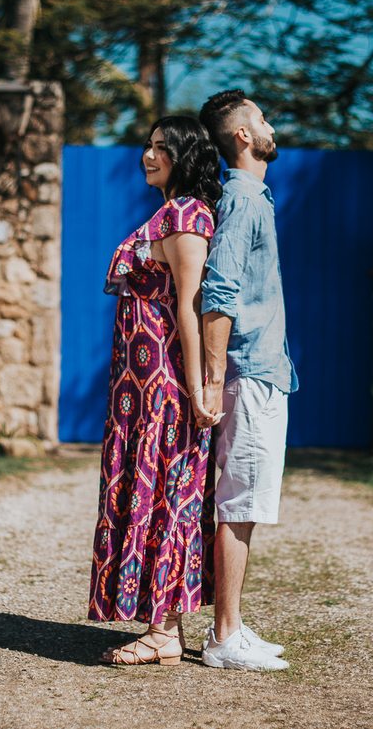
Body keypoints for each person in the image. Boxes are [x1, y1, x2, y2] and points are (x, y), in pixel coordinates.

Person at [88, 116, 222, 666]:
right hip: (137, 392)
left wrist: (198, 388)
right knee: (149, 496)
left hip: (165, 389)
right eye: (147, 145)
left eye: (161, 147)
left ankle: (164, 632)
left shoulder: (188, 216)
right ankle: (160, 626)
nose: (148, 154)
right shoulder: (168, 213)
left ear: (184, 156)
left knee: (167, 499)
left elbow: (190, 307)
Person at [195, 89, 298, 672]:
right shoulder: (241, 199)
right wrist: (213, 379)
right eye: (262, 118)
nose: (270, 126)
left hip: (262, 370)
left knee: (247, 502)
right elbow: (219, 291)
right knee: (239, 502)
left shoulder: (252, 197)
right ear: (242, 135)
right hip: (248, 373)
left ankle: (231, 624)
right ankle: (223, 637)